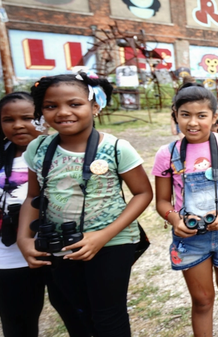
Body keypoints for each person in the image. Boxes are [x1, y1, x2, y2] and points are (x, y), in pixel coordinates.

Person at [17, 73, 153, 337]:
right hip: (60, 244)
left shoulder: (116, 148)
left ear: (94, 106)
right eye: (50, 106)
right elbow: (33, 197)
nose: (63, 112)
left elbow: (142, 193)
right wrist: (24, 238)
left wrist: (102, 236)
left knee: (108, 316)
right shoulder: (38, 148)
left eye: (74, 104)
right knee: (74, 311)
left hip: (112, 242)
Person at [152, 83, 218, 337]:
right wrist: (175, 219)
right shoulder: (167, 154)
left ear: (214, 117)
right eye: (185, 114)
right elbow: (162, 202)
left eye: (201, 115)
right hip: (190, 240)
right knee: (202, 300)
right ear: (175, 115)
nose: (193, 122)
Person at [0, 92, 89, 337]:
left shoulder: (66, 152)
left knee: (77, 315)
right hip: (9, 259)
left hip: (63, 251)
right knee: (17, 321)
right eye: (8, 119)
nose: (18, 125)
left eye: (28, 117)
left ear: (43, 117)